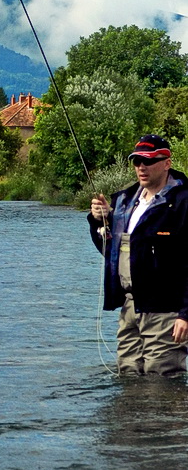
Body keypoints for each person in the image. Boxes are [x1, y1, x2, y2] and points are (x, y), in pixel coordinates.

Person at [89, 134, 188, 376]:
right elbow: (108, 250)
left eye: (149, 161)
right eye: (136, 161)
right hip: (130, 306)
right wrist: (97, 220)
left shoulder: (184, 201)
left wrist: (186, 315)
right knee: (128, 376)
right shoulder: (123, 201)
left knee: (160, 380)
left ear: (167, 163)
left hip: (167, 310)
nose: (141, 167)